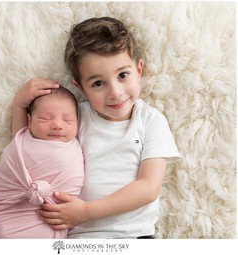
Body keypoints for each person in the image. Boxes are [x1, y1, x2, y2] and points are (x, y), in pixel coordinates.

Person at [12, 17, 181, 239]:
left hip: (133, 237)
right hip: (80, 238)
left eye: (123, 75)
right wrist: (19, 106)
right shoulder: (75, 118)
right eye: (98, 83)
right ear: (80, 87)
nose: (115, 92)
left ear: (139, 70)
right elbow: (28, 152)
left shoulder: (150, 121)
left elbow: (148, 187)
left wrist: (86, 212)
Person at [0, 86, 84, 238]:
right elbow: (15, 161)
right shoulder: (21, 142)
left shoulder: (77, 146)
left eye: (67, 120)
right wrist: (19, 104)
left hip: (49, 216)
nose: (58, 125)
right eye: (45, 118)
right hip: (9, 212)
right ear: (29, 122)